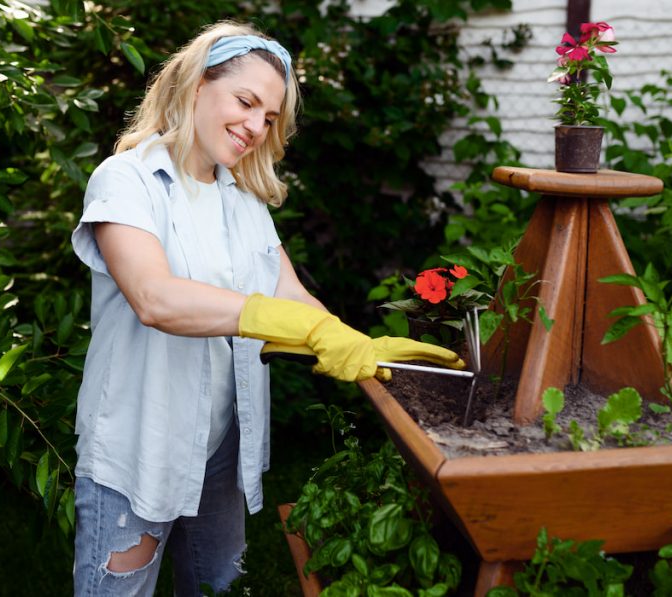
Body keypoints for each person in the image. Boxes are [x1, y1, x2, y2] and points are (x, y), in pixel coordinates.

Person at [69, 20, 466, 596]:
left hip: (219, 451)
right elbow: (155, 298)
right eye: (246, 102)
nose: (256, 127)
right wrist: (283, 321)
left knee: (219, 588)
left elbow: (291, 296)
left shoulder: (241, 198)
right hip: (141, 446)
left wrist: (350, 340)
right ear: (197, 85)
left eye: (270, 118)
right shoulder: (128, 180)